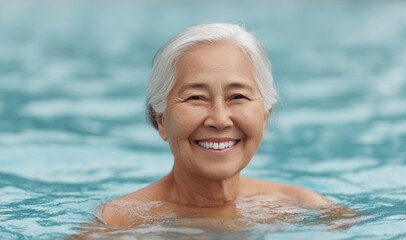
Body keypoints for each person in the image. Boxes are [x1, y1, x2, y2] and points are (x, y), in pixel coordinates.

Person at [101, 23, 336, 228]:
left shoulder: (304, 207)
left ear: (265, 117)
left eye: (238, 97)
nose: (220, 120)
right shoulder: (118, 222)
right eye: (196, 98)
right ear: (161, 119)